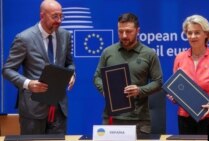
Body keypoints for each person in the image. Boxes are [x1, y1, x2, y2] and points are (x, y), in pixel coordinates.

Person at [2, 0, 75, 135]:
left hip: (59, 107)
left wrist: (72, 73)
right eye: (55, 16)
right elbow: (7, 70)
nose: (59, 20)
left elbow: (69, 62)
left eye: (61, 16)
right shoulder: (24, 38)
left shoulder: (65, 35)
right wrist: (28, 83)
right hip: (33, 109)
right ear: (42, 16)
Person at [93, 13, 163, 134]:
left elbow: (158, 82)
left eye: (129, 31)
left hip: (140, 121)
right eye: (120, 31)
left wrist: (139, 90)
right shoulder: (108, 52)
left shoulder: (149, 54)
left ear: (138, 31)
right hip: (111, 118)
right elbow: (97, 77)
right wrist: (105, 90)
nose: (124, 35)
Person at [167, 14, 209, 134]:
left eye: (197, 32)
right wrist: (175, 97)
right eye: (189, 33)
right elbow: (177, 87)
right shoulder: (179, 58)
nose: (192, 36)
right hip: (185, 118)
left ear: (206, 34)